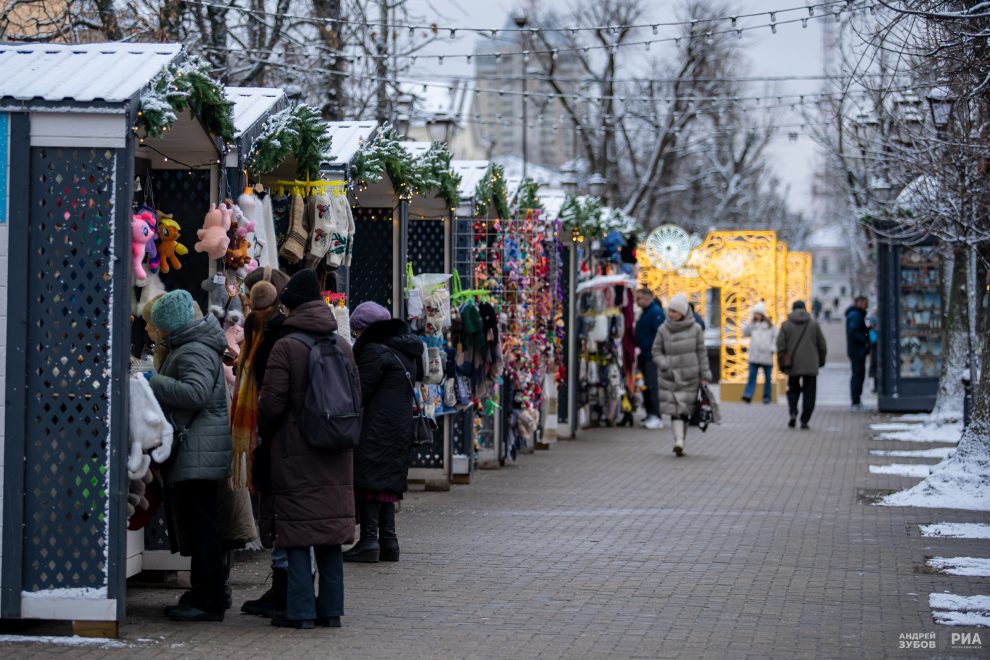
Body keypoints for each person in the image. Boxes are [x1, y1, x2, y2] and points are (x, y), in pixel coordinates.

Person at [259, 269, 357, 629]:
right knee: (330, 535)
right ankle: (331, 611)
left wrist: (266, 435)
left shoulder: (286, 347)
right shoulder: (343, 346)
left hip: (295, 450)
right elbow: (356, 398)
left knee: (297, 532)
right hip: (337, 452)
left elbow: (271, 405)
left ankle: (299, 611)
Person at [149, 289, 232, 622]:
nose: (158, 334)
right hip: (201, 450)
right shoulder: (196, 345)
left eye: (160, 328)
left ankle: (208, 600)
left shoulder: (193, 349)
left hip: (198, 450)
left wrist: (153, 382)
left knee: (202, 526)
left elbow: (195, 394)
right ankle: (205, 592)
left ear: (171, 326)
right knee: (202, 525)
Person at [343, 301, 423, 563]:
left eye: (356, 331)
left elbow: (360, 393)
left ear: (365, 329)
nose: (355, 336)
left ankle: (368, 541)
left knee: (370, 481)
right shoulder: (407, 348)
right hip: (400, 425)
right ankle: (389, 541)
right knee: (387, 482)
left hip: (377, 426)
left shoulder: (374, 350)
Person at [652, 293, 712, 457]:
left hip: (690, 376)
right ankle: (678, 440)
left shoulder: (696, 329)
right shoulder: (663, 329)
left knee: (684, 410)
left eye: (674, 311)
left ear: (683, 312)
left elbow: (701, 352)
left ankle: (681, 441)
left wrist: (705, 373)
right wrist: (665, 364)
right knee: (675, 410)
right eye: (669, 310)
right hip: (669, 377)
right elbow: (656, 351)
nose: (670, 314)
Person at [777, 300, 827, 430]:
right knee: (810, 393)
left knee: (793, 389)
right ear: (805, 309)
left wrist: (781, 363)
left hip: (793, 364)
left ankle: (793, 412)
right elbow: (822, 345)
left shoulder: (786, 325)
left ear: (792, 309)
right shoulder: (814, 324)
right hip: (811, 364)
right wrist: (820, 361)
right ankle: (805, 420)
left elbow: (780, 346)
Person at [634, 288, 665, 430]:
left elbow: (660, 335)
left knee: (652, 385)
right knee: (645, 385)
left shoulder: (655, 312)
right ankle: (650, 413)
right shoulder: (646, 312)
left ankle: (656, 415)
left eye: (639, 298)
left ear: (648, 298)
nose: (637, 301)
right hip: (644, 354)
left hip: (651, 356)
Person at [741, 301, 777, 404]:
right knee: (752, 376)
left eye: (758, 313)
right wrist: (751, 323)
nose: (756, 315)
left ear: (762, 314)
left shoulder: (770, 326)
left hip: (766, 355)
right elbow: (745, 333)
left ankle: (767, 397)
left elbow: (776, 337)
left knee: (767, 378)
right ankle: (748, 395)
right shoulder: (753, 325)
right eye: (755, 313)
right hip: (754, 355)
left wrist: (773, 348)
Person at [845, 295, 870, 410]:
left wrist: (867, 333)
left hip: (857, 350)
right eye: (865, 303)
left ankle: (857, 400)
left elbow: (860, 330)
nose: (866, 305)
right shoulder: (856, 315)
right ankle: (855, 401)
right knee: (858, 375)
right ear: (859, 303)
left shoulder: (857, 315)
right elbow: (854, 331)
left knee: (859, 374)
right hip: (857, 350)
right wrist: (864, 340)